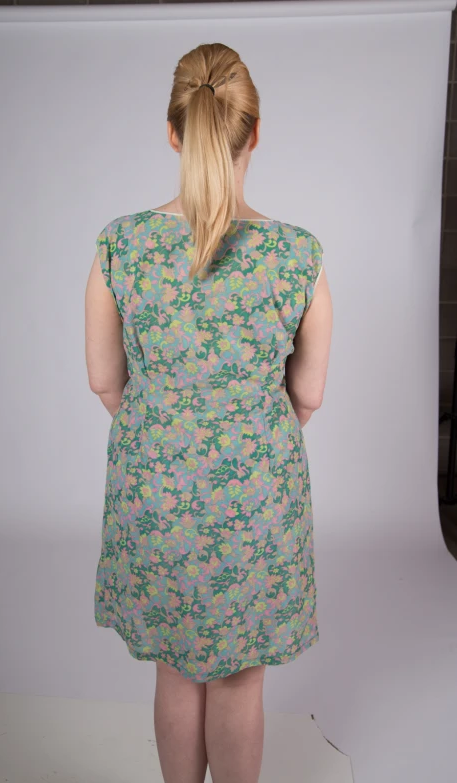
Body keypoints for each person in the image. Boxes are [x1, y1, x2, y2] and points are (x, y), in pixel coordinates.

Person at [85, 42, 333, 783]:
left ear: (174, 133)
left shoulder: (118, 245)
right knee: (239, 678)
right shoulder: (298, 256)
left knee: (173, 670)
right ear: (254, 134)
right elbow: (310, 394)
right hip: (255, 497)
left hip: (154, 492)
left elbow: (104, 379)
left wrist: (167, 432)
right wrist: (246, 431)